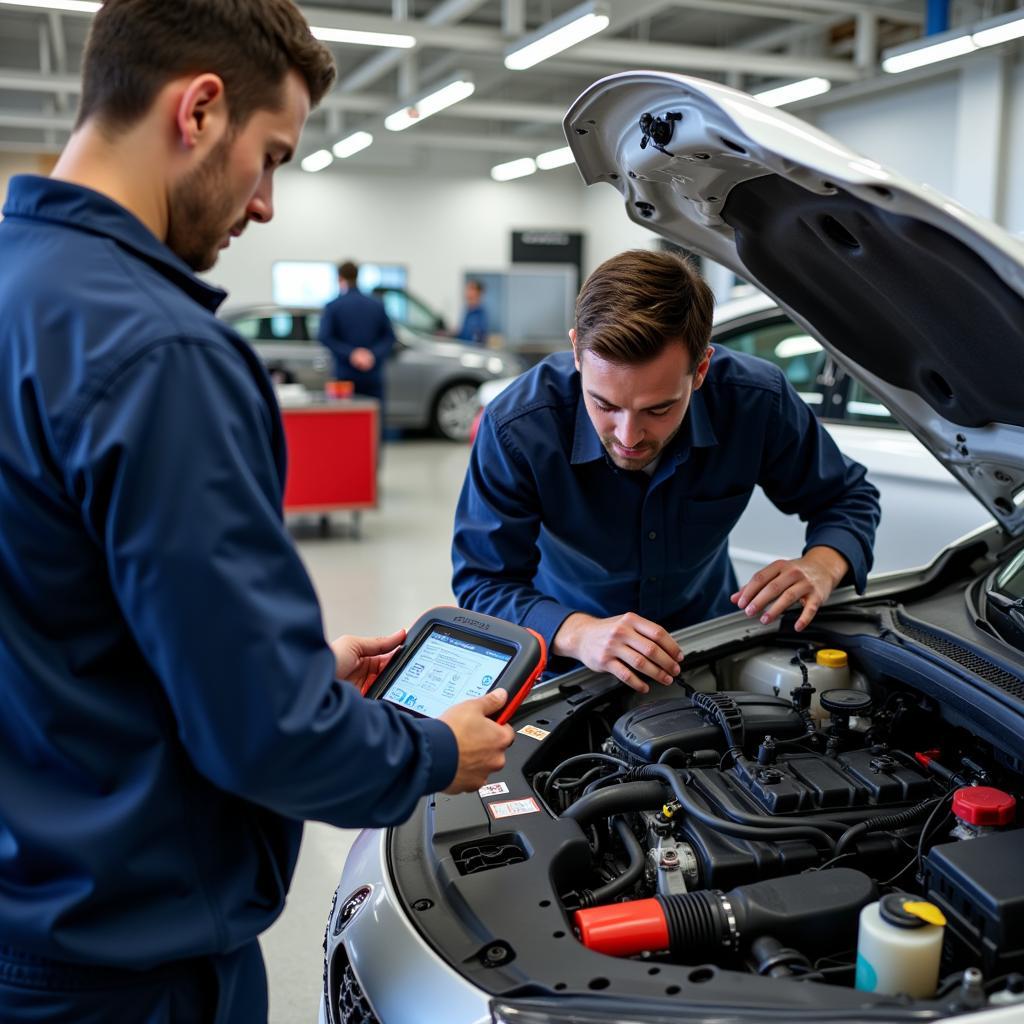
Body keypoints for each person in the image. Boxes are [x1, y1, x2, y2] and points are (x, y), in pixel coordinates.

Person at [0, 2, 513, 1021]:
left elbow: (59, 611)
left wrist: (292, 668)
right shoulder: (162, 353)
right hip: (127, 964)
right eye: (270, 155)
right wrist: (435, 753)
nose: (266, 203)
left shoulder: (20, 288)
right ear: (198, 110)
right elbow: (265, 738)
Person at [453, 249, 881, 691]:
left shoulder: (754, 402)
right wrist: (578, 632)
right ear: (577, 352)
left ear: (700, 369)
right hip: (571, 667)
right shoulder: (519, 426)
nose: (628, 436)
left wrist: (823, 564)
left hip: (708, 649)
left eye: (658, 408)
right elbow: (483, 580)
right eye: (604, 404)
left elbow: (847, 497)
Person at [318, 260, 396, 403]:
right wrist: (371, 355)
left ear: (339, 278)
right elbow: (389, 337)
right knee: (373, 420)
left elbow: (325, 337)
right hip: (372, 374)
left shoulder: (333, 306)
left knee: (345, 420)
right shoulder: (377, 305)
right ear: (357, 276)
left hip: (344, 376)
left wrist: (352, 354)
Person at [456, 278, 489, 345]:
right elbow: (462, 334)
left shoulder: (480, 315)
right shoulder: (467, 311)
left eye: (471, 289)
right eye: (467, 289)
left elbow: (479, 339)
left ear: (478, 292)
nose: (467, 291)